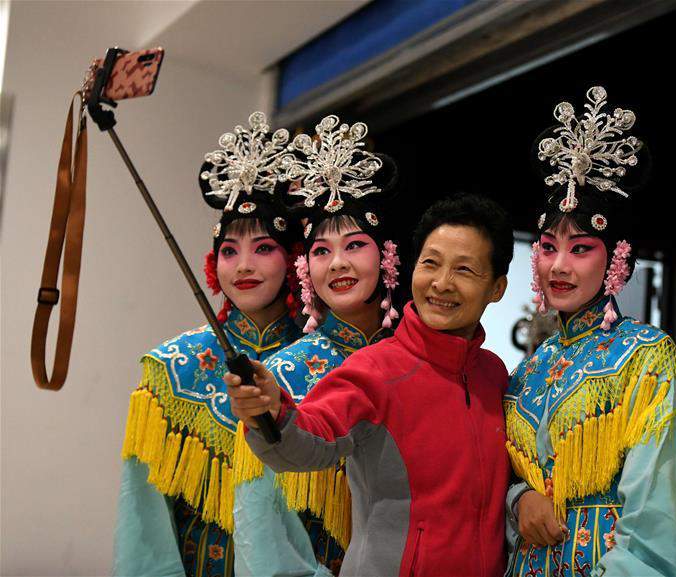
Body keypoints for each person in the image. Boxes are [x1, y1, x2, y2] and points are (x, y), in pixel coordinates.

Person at [227, 192, 514, 577]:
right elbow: (309, 439)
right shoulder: (376, 369)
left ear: (497, 288)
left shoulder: (494, 374)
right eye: (431, 263)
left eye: (464, 270)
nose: (442, 283)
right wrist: (272, 414)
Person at [504, 86, 676, 577]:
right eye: (548, 246)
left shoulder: (647, 356)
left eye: (581, 248)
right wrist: (518, 500)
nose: (558, 266)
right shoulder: (528, 368)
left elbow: (656, 514)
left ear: (616, 259)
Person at [113, 112, 305, 577]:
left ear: (294, 259)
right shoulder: (171, 366)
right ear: (211, 264)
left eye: (263, 248)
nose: (243, 266)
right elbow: (146, 522)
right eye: (229, 251)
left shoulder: (321, 361)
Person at [229, 115, 401, 576]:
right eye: (321, 251)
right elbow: (258, 531)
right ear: (304, 269)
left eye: (355, 245)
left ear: (387, 256)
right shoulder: (280, 374)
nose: (337, 263)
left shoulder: (412, 362)